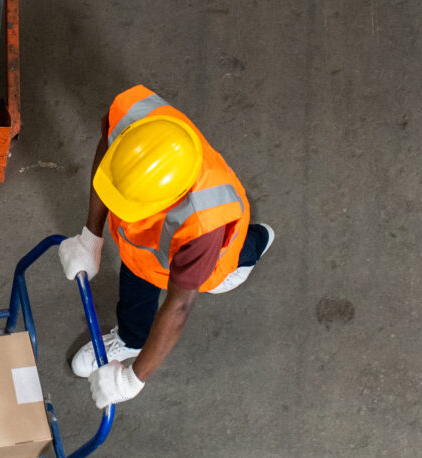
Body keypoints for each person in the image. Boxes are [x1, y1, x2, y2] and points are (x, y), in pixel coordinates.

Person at [56, 85, 274, 410]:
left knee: (229, 259)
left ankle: (255, 245)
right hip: (146, 250)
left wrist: (132, 380)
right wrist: (91, 237)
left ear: (169, 201)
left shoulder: (203, 225)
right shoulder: (133, 117)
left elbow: (180, 305)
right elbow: (108, 159)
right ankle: (131, 339)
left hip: (209, 253)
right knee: (138, 271)